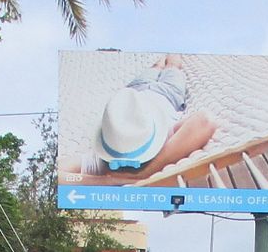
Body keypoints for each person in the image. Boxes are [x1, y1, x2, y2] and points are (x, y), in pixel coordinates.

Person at [64, 55, 216, 184]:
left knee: (158, 65)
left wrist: (130, 176)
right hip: (168, 93)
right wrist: (110, 180)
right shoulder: (163, 142)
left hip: (133, 93)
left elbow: (61, 175)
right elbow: (205, 120)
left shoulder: (104, 162)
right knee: (173, 65)